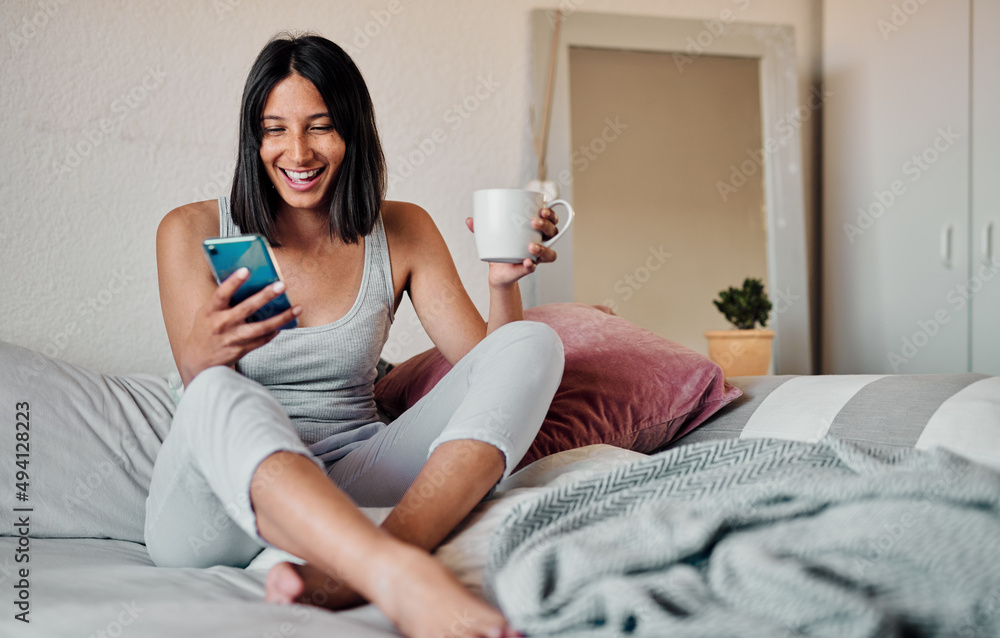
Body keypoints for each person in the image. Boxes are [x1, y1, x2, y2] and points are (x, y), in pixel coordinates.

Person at [144, 31, 566, 638]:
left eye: (320, 126)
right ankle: (394, 574)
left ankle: (372, 559)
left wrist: (504, 284)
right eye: (274, 129)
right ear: (253, 138)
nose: (298, 151)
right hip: (219, 506)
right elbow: (198, 389)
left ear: (353, 132)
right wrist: (210, 352)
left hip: (353, 476)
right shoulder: (189, 229)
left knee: (535, 344)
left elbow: (489, 373)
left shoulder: (402, 228)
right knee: (213, 390)